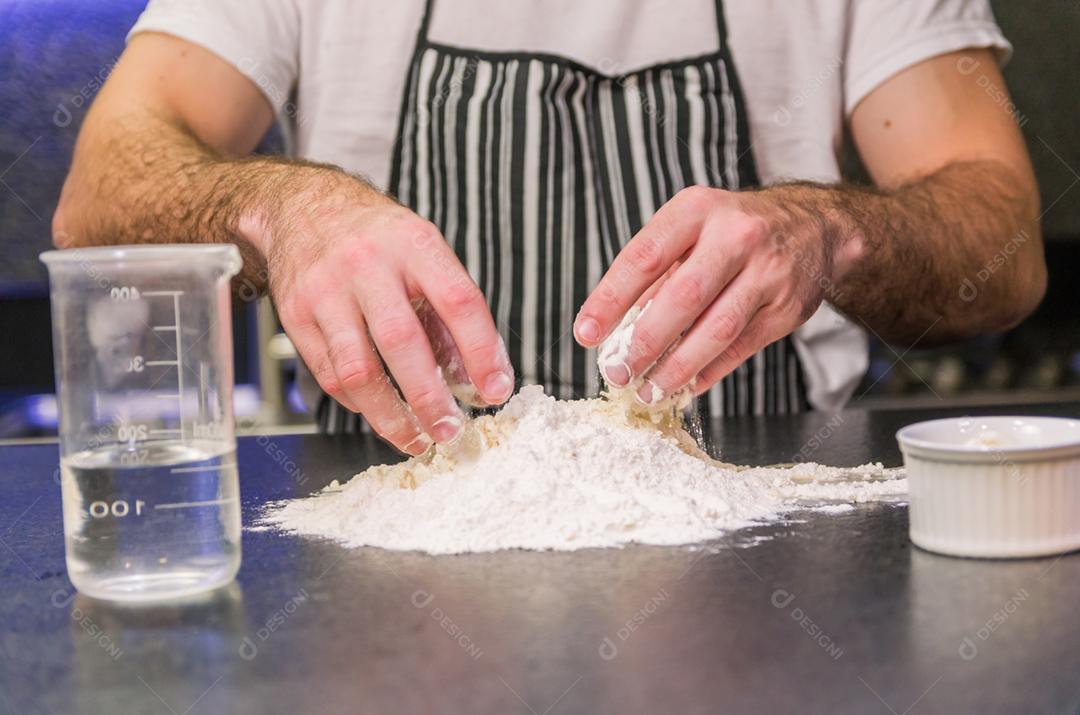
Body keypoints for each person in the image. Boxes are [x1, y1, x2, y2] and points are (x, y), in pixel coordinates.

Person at [53, 0, 1046, 455]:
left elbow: (1003, 247)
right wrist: (281, 209)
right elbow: (98, 195)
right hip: (389, 526)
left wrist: (828, 229)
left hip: (761, 512)